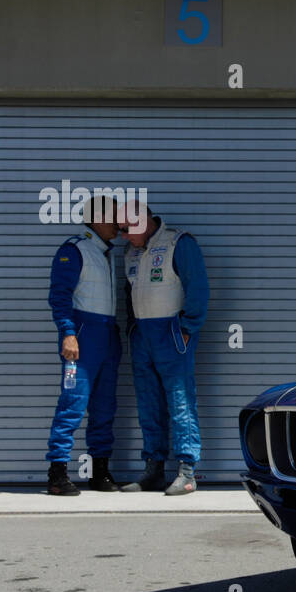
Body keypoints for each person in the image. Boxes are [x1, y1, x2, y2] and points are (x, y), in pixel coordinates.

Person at [119, 202, 209, 495]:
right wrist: (133, 330)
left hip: (172, 332)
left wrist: (187, 329)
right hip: (143, 336)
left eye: (125, 229)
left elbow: (198, 288)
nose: (122, 235)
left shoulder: (178, 243)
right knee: (148, 404)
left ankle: (186, 471)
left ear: (142, 221)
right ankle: (153, 470)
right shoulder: (130, 251)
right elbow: (128, 293)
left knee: (180, 400)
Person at [45, 197, 123, 495]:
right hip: (82, 336)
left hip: (108, 335)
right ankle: (57, 473)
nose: (119, 224)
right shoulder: (74, 250)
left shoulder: (108, 253)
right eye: (115, 217)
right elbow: (60, 296)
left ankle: (100, 472)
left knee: (104, 407)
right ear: (99, 218)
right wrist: (67, 333)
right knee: (73, 403)